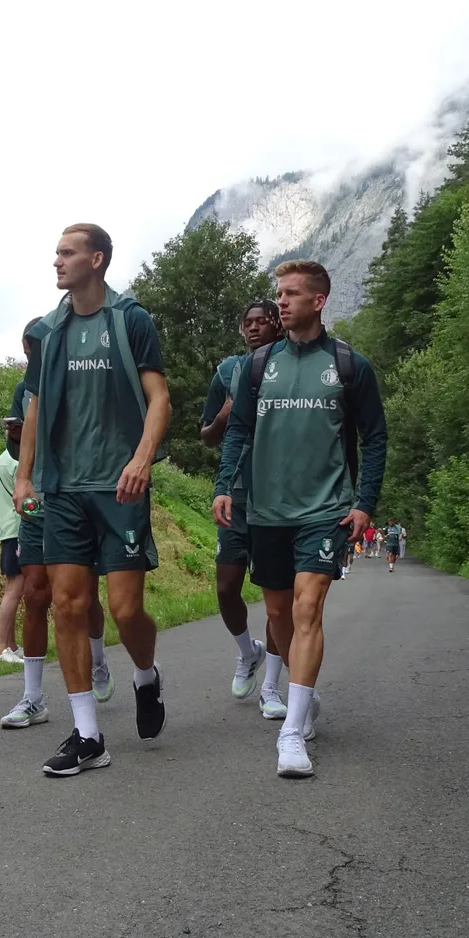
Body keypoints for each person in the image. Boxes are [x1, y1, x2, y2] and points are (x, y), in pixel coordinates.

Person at [214, 260, 388, 778]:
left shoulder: (349, 365)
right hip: (265, 510)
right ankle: (302, 697)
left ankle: (291, 732)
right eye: (279, 294)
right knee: (280, 616)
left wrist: (364, 502)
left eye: (291, 294)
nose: (281, 302)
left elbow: (374, 438)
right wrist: (225, 486)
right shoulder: (257, 365)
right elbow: (239, 431)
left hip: (326, 510)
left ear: (318, 301)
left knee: (308, 607)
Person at [14, 223, 170, 777]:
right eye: (56, 252)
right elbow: (33, 407)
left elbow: (159, 398)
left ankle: (146, 676)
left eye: (67, 252)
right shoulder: (49, 331)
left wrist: (141, 458)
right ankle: (87, 735)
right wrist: (25, 477)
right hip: (62, 489)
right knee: (69, 607)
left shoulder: (129, 320)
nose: (56, 261)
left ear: (97, 260)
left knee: (126, 611)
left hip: (120, 485)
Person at [0, 319, 110, 732]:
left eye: (37, 350)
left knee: (83, 597)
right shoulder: (25, 389)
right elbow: (18, 445)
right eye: (28, 352)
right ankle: (32, 698)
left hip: (81, 496)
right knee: (35, 593)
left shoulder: (87, 375)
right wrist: (16, 436)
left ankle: (98, 660)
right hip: (38, 500)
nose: (33, 359)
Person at [199, 297, 285, 712]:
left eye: (262, 321)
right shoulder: (227, 371)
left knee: (275, 593)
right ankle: (246, 652)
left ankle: (271, 686)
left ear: (278, 324)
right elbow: (207, 435)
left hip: (281, 493)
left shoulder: (291, 364)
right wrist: (225, 415)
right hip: (237, 491)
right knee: (226, 585)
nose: (253, 328)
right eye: (247, 322)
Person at [0, 416, 25, 665]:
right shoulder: (13, 461)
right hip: (16, 530)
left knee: (14, 587)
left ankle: (11, 644)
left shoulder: (5, 459)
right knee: (15, 588)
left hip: (10, 529)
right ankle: (1, 648)